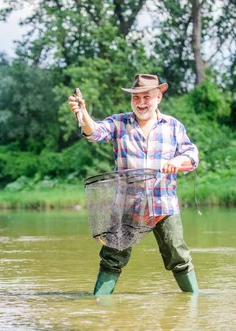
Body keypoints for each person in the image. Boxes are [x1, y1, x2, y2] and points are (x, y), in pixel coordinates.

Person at [68, 74, 200, 296]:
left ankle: (194, 303)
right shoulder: (119, 123)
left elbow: (192, 154)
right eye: (136, 98)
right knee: (112, 257)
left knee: (179, 257)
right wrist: (83, 114)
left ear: (158, 97)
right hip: (127, 207)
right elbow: (95, 132)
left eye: (146, 97)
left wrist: (177, 162)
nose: (141, 103)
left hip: (163, 205)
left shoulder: (173, 126)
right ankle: (99, 305)